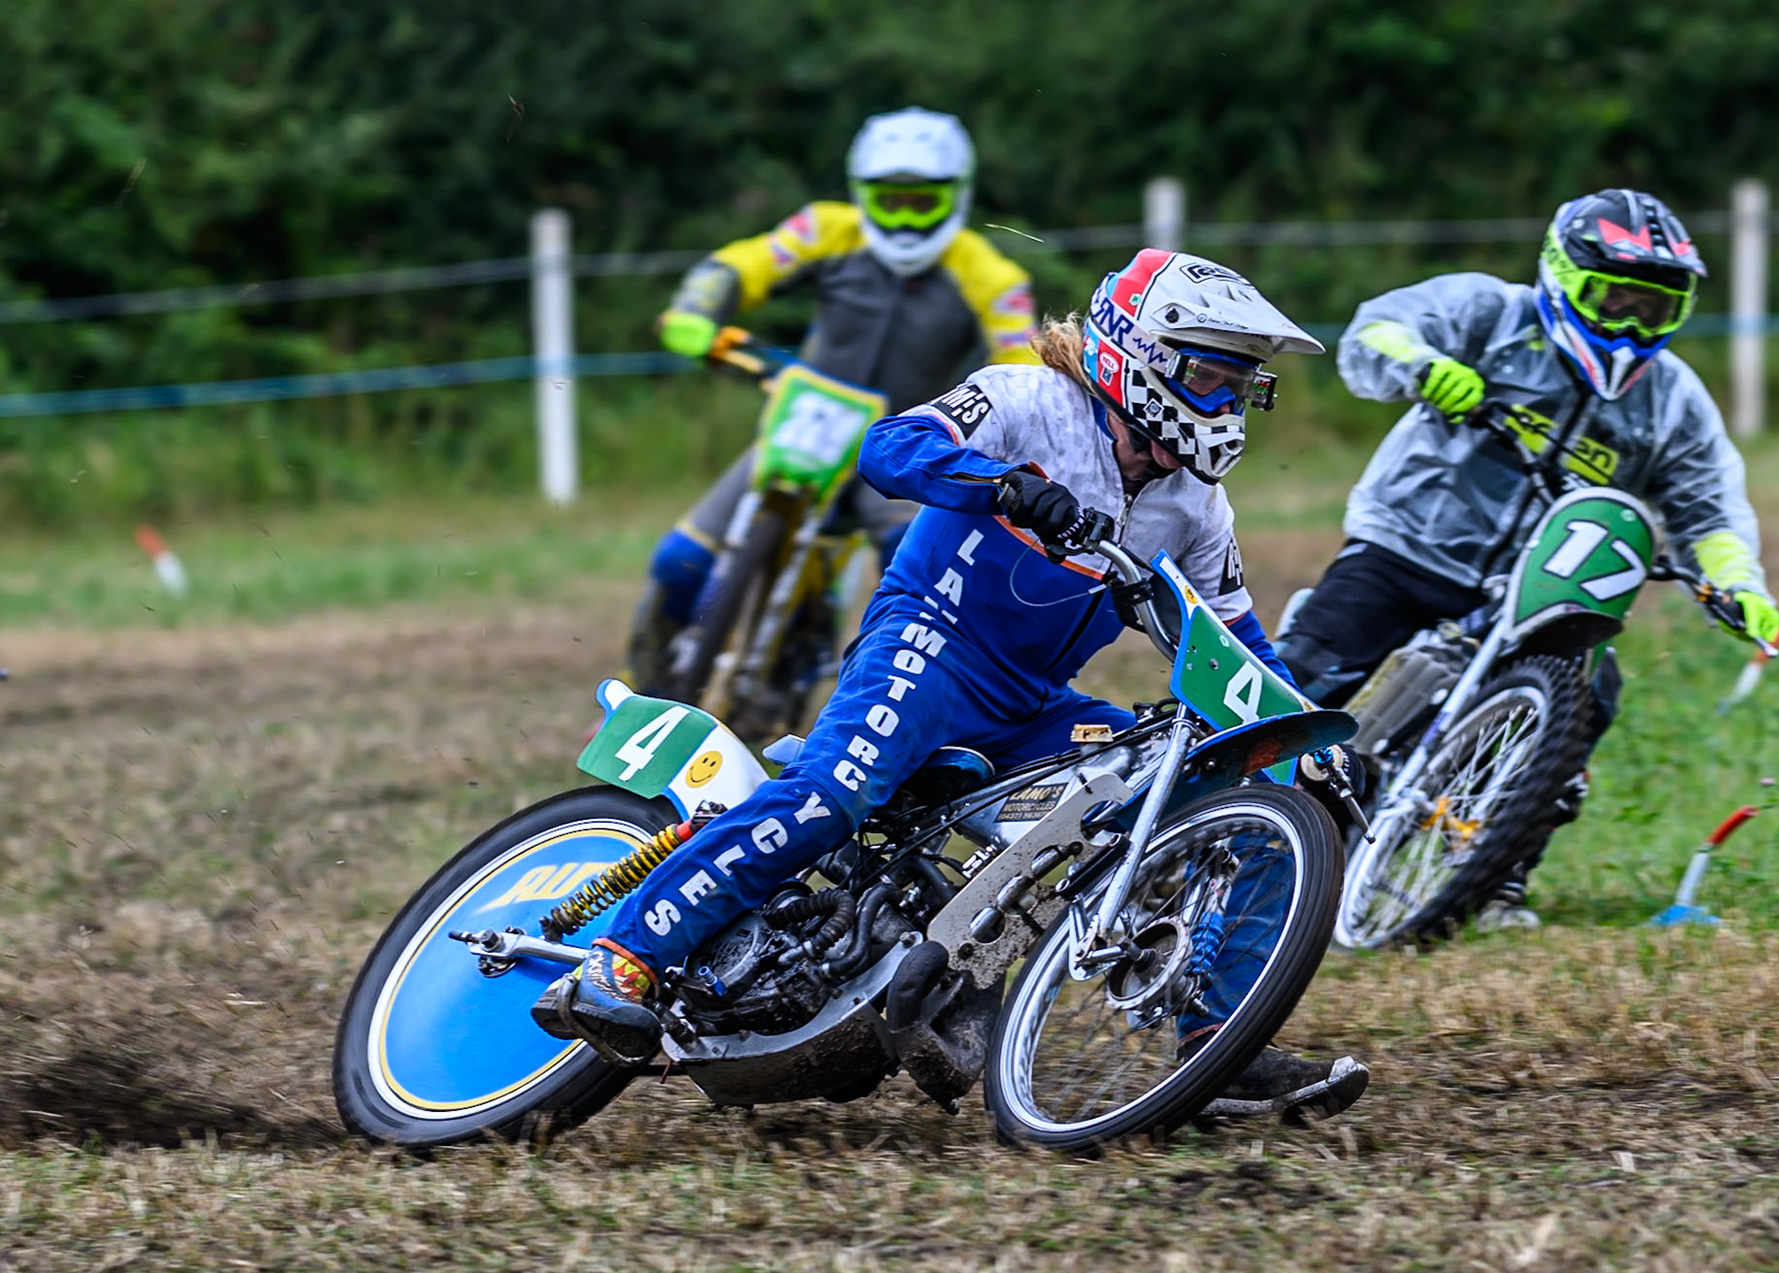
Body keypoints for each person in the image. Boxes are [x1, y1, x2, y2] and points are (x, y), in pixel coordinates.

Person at [539, 249, 1370, 1121]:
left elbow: (1235, 642)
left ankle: (1214, 1042)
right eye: (1212, 378)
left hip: (1030, 704)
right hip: (925, 645)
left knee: (1207, 779)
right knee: (830, 797)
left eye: (1242, 387)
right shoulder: (1026, 402)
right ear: (1143, 356)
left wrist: (1302, 738)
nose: (1229, 405)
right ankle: (624, 956)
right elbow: (888, 448)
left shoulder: (1196, 508)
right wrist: (1002, 487)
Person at [1275, 188, 1779, 927]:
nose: (1631, 325)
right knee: (1304, 675)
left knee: (1592, 693)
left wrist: (1738, 582)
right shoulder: (1488, 312)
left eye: (1654, 308)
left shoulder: (1672, 401)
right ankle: (1190, 813)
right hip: (1411, 543)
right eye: (1614, 300)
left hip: (1541, 584)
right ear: (1562, 274)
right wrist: (1422, 366)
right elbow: (1375, 332)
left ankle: (1496, 872)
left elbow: (1710, 507)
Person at [628, 106, 1041, 689]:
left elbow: (1020, 355)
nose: (903, 220)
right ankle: (641, 691)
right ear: (859, 194)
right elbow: (742, 263)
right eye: (888, 201)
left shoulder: (990, 273)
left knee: (913, 566)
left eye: (922, 202)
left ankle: (891, 698)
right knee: (679, 561)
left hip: (904, 446)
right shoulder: (824, 229)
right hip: (806, 424)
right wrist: (697, 308)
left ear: (957, 196)